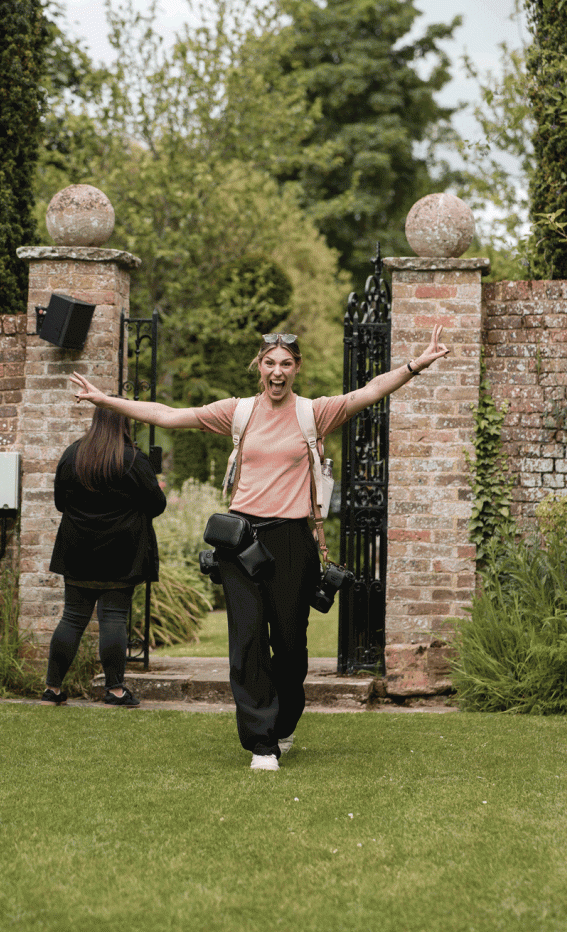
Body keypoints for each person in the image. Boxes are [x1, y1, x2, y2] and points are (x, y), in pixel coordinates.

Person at [70, 325, 448, 760]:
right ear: (259, 366)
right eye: (270, 363)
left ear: (296, 368)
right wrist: (105, 400)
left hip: (292, 540)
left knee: (290, 647)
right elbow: (167, 414)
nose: (277, 371)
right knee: (247, 641)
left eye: (286, 363)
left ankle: (283, 722)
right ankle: (261, 741)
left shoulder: (314, 413)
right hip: (241, 541)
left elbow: (371, 391)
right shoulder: (238, 412)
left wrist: (414, 365)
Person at [40, 403, 166, 707]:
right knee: (114, 617)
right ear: (125, 421)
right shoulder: (133, 459)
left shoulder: (73, 454)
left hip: (78, 549)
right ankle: (115, 691)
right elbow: (157, 504)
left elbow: (60, 502)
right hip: (122, 552)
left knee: (72, 618)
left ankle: (52, 690)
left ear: (96, 419)